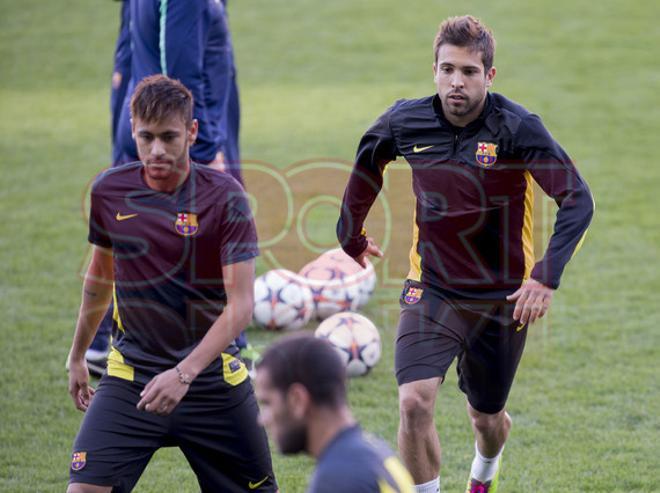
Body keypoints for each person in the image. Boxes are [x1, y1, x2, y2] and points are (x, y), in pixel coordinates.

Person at [336, 16, 594, 493]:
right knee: (414, 402)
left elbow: (578, 199)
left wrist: (544, 278)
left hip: (502, 298)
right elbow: (369, 160)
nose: (457, 82)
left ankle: (484, 474)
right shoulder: (404, 120)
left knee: (487, 417)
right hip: (432, 287)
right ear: (433, 70)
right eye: (448, 69)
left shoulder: (518, 128)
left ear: (489, 76)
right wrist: (350, 234)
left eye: (469, 72)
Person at [66, 75, 276, 492]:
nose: (157, 150)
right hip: (132, 378)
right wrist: (76, 355)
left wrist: (183, 374)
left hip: (212, 379)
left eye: (169, 136)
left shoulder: (224, 197)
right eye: (146, 137)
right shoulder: (110, 190)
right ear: (132, 130)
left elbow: (241, 306)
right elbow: (99, 276)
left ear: (192, 132)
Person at [87, 0, 251, 374]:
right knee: (196, 241)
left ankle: (103, 339)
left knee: (146, 241)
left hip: (171, 132)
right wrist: (207, 149)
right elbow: (178, 75)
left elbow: (127, 52)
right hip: (184, 140)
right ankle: (226, 349)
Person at [255, 334, 415, 493]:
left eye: (268, 403)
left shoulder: (338, 479)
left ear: (298, 400)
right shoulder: (374, 449)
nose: (262, 419)